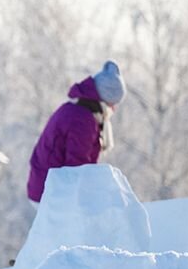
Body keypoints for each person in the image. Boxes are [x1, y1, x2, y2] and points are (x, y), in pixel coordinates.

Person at [27, 60, 126, 204]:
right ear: (105, 99)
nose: (114, 109)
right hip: (51, 195)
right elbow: (77, 168)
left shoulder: (75, 110)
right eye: (113, 103)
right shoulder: (82, 120)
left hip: (43, 187)